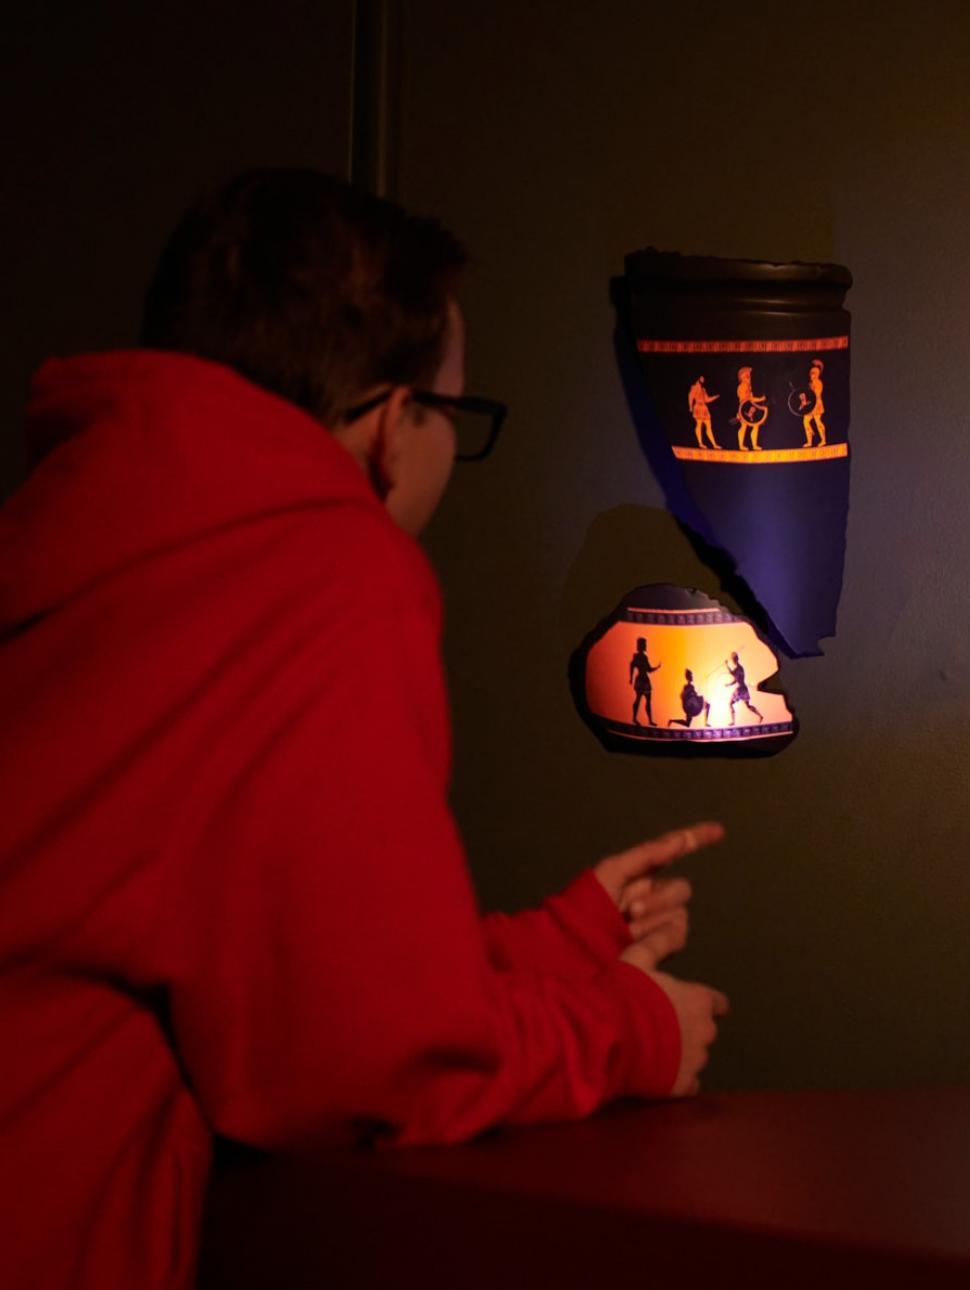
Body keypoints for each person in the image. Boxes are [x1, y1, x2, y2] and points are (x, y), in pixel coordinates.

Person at [0, 171, 728, 1290]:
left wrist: (563, 940)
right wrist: (629, 1031)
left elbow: (238, 954)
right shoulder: (324, 565)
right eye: (458, 415)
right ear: (396, 425)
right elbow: (360, 1064)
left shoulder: (86, 534)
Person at [629, 636, 662, 726]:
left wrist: (631, 678)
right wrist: (657, 667)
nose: (645, 646)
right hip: (642, 680)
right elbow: (648, 670)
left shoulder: (639, 657)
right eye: (644, 644)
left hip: (642, 680)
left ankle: (647, 720)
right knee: (642, 700)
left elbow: (632, 666)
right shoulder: (641, 657)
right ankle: (637, 719)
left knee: (644, 700)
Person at [725, 651, 764, 725]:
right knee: (748, 706)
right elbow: (736, 680)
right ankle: (760, 716)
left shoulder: (739, 668)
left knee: (730, 703)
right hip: (743, 689)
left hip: (740, 689)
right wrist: (728, 685)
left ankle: (733, 721)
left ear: (735, 659)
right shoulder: (739, 668)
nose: (732, 661)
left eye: (733, 660)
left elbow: (732, 673)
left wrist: (726, 665)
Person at [736, 365, 768, 451]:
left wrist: (759, 400)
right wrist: (760, 399)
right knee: (743, 426)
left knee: (755, 425)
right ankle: (741, 445)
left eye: (749, 374)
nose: (749, 376)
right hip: (744, 408)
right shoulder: (742, 386)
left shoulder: (748, 386)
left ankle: (754, 445)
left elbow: (751, 399)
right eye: (747, 374)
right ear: (742, 376)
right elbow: (746, 399)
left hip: (749, 407)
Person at [687, 375, 720, 448]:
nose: (703, 379)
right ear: (698, 378)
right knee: (699, 425)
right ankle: (700, 443)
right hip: (698, 407)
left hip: (704, 408)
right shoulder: (694, 387)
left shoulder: (703, 389)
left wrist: (714, 397)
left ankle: (714, 444)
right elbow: (690, 397)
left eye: (703, 378)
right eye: (701, 378)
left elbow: (707, 399)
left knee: (709, 426)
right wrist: (690, 407)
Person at [801, 358, 826, 447]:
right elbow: (809, 394)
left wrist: (808, 397)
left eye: (813, 374)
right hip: (811, 405)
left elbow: (816, 394)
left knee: (818, 422)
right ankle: (810, 442)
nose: (811, 375)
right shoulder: (811, 384)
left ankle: (823, 440)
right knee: (805, 422)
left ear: (816, 374)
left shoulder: (818, 383)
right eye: (811, 374)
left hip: (817, 404)